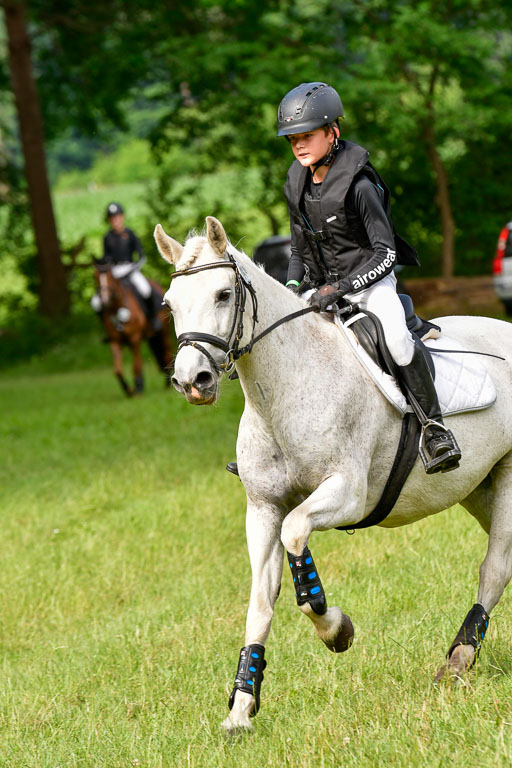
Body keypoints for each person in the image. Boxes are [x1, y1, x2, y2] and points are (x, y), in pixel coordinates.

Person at [276, 81, 461, 474]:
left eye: (307, 135)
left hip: (372, 284)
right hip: (322, 290)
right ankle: (276, 448)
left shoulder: (359, 185)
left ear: (332, 132)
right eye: (293, 138)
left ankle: (435, 429)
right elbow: (298, 250)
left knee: (396, 340)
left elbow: (386, 253)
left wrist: (340, 288)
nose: (298, 145)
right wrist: (292, 288)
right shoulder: (296, 181)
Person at [91, 202, 161, 329]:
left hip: (130, 269)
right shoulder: (107, 237)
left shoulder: (130, 234)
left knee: (145, 289)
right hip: (114, 271)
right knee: (96, 301)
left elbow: (141, 256)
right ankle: (108, 326)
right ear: (109, 220)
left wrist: (133, 269)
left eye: (117, 217)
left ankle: (153, 319)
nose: (115, 220)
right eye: (112, 218)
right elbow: (107, 257)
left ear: (122, 217)